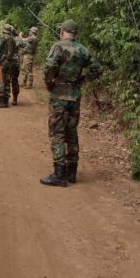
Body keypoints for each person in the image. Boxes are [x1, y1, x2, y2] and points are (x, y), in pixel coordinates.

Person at [40, 20, 102, 187]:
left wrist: (49, 83)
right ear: (75, 33)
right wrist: (82, 79)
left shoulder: (58, 47)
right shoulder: (83, 49)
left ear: (62, 31)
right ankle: (72, 172)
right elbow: (97, 69)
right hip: (75, 96)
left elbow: (49, 67)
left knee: (57, 133)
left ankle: (59, 173)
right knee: (72, 132)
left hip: (59, 96)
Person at [0, 24, 17, 108]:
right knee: (6, 81)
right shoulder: (12, 39)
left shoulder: (4, 38)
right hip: (8, 63)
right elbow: (11, 52)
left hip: (1, 63)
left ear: (3, 30)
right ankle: (5, 100)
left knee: (0, 81)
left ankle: (2, 101)